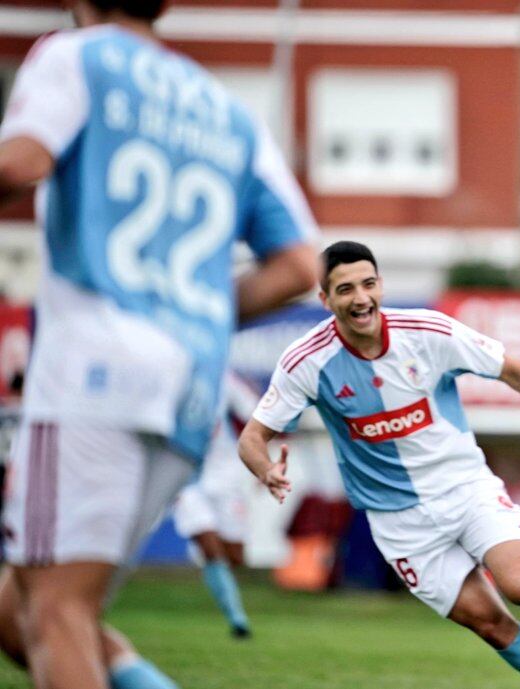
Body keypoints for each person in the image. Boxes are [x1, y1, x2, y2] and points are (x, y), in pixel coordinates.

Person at [0, 2, 320, 688]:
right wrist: (188, 314)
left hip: (93, 366)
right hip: (189, 384)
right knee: (23, 605)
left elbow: (22, 163)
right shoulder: (228, 111)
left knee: (56, 609)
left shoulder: (75, 55)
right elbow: (300, 265)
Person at [239, 241, 520, 689]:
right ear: (326, 300)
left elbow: (514, 371)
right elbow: (254, 436)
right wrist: (266, 468)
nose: (361, 297)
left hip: (465, 489)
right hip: (398, 520)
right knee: (492, 625)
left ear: (380, 286)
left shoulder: (428, 331)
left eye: (368, 284)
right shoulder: (306, 361)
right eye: (345, 289)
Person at [173, 371, 260, 638]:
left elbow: (257, 416)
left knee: (235, 555)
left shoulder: (224, 378)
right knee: (209, 546)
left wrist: (261, 462)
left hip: (226, 477)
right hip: (184, 476)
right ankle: (237, 619)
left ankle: (223, 592)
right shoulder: (166, 374)